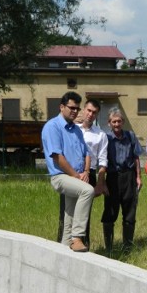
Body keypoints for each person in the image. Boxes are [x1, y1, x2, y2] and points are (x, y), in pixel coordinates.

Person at [41, 91, 95, 252]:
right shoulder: (52, 126)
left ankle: (64, 251)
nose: (75, 111)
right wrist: (76, 176)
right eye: (71, 108)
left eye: (77, 109)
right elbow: (58, 157)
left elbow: (86, 153)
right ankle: (77, 237)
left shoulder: (76, 130)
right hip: (61, 176)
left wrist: (85, 171)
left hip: (77, 176)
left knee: (69, 216)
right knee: (88, 191)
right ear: (62, 107)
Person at [57, 99, 108, 246]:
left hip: (89, 174)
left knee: (83, 214)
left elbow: (103, 161)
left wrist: (100, 183)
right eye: (89, 110)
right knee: (65, 212)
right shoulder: (70, 128)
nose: (90, 114)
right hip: (70, 172)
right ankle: (62, 244)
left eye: (94, 112)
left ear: (97, 115)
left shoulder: (100, 135)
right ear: (83, 110)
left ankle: (82, 244)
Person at [102, 107, 143, 252]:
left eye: (119, 121)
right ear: (109, 123)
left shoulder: (130, 136)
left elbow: (136, 157)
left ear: (123, 122)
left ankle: (127, 245)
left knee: (130, 212)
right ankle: (109, 247)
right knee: (110, 213)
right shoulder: (105, 139)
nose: (117, 124)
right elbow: (101, 161)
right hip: (112, 178)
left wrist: (138, 177)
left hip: (129, 177)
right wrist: (102, 183)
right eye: (114, 122)